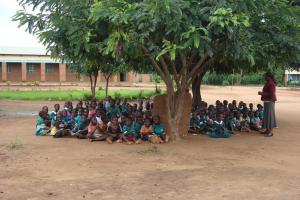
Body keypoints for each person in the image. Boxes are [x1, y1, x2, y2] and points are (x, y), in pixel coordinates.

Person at [258, 72, 277, 137]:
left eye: (265, 76)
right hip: (267, 101)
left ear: (269, 77)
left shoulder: (271, 83)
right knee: (266, 116)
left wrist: (262, 93)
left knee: (270, 116)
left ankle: (270, 132)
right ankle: (267, 130)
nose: (265, 77)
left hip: (270, 101)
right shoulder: (268, 82)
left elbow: (271, 94)